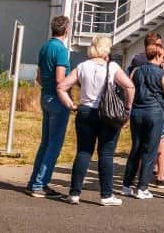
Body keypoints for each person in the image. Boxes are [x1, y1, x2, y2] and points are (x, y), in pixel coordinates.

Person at [56, 33, 134, 206]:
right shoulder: (112, 67)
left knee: (83, 152)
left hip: (85, 111)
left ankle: (74, 193)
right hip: (107, 114)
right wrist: (127, 109)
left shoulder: (83, 66)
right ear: (106, 49)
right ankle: (106, 195)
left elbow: (61, 86)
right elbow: (129, 86)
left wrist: (71, 105)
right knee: (106, 153)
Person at [26, 14, 72, 199]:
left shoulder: (45, 47)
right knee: (54, 144)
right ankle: (39, 184)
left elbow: (38, 76)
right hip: (58, 98)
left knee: (45, 142)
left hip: (45, 95)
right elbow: (61, 78)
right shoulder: (61, 50)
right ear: (67, 30)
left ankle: (34, 182)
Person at [124, 40, 164, 199]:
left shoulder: (136, 71)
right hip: (154, 112)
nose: (163, 59)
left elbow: (130, 88)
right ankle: (142, 187)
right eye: (162, 56)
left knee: (136, 148)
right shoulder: (161, 73)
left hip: (137, 111)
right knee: (150, 150)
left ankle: (127, 184)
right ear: (158, 55)